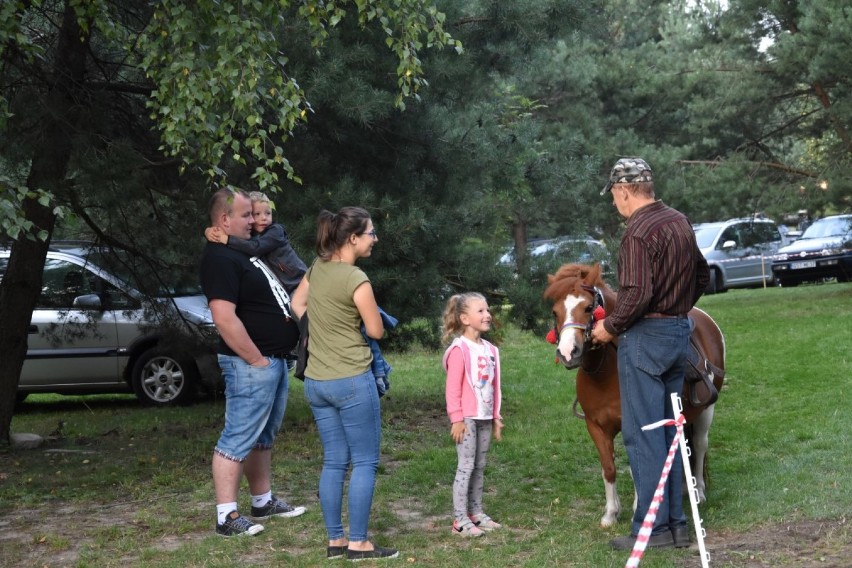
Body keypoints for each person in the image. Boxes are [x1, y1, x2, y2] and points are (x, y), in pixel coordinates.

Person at [590, 158, 709, 550]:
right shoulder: (679, 220)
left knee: (644, 437)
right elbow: (702, 275)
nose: (613, 203)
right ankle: (676, 527)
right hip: (678, 334)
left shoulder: (637, 232)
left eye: (613, 195)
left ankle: (652, 530)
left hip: (645, 340)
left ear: (624, 190)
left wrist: (610, 326)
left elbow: (637, 294)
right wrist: (678, 310)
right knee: (672, 433)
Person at [290, 206, 398, 561]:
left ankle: (336, 541)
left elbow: (296, 302)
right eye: (371, 233)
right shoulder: (356, 279)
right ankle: (360, 542)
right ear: (353, 238)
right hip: (351, 380)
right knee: (365, 461)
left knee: (335, 461)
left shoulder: (316, 268)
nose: (375, 239)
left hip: (317, 382)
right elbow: (376, 330)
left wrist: (320, 327)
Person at [199, 187, 307, 537]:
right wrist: (255, 358)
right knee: (238, 436)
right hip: (251, 363)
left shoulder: (244, 252)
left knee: (263, 436)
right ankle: (226, 516)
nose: (253, 221)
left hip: (273, 361)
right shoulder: (219, 257)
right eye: (246, 215)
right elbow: (224, 316)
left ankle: (262, 500)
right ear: (224, 219)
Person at [441, 292, 504, 538]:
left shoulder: (490, 350)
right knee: (466, 466)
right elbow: (452, 388)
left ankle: (476, 513)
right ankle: (459, 520)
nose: (487, 315)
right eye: (481, 311)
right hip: (466, 419)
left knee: (480, 465)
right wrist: (456, 419)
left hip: (485, 418)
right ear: (465, 318)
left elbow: (495, 386)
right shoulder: (459, 349)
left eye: (487, 310)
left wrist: (496, 417)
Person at [204, 191, 307, 295]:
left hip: (300, 283)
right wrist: (211, 230)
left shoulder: (276, 231)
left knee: (296, 308)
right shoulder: (252, 236)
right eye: (257, 214)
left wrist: (226, 239)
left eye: (268, 213)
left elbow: (255, 247)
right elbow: (237, 236)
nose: (264, 218)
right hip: (287, 289)